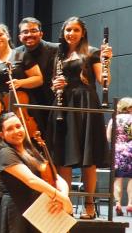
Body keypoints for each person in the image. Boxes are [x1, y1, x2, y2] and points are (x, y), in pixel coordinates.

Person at [48, 16, 112, 219]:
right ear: (63, 32)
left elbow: (104, 80)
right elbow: (53, 83)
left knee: (88, 158)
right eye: (68, 30)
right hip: (63, 105)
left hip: (85, 105)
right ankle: (66, 205)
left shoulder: (92, 52)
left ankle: (89, 204)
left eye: (75, 30)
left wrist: (107, 61)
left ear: (82, 32)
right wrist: (55, 86)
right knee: (64, 157)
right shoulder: (59, 56)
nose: (71, 34)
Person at [0, 23, 43, 135]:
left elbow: (38, 79)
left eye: (0, 34)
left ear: (8, 36)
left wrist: (20, 83)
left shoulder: (21, 56)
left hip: (19, 106)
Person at [15, 17, 60, 131]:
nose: (29, 34)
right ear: (20, 37)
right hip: (26, 105)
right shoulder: (16, 53)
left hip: (51, 103)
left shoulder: (56, 49)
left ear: (41, 34)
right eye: (25, 32)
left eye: (34, 31)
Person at [110, 98, 132, 215]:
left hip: (117, 151)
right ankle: (130, 204)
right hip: (131, 151)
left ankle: (117, 203)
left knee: (118, 178)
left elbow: (109, 137)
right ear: (128, 108)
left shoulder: (114, 119)